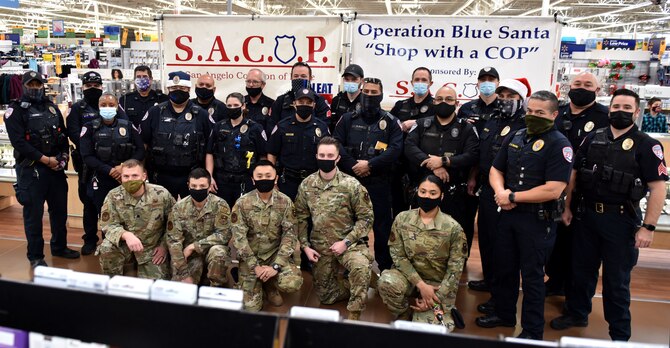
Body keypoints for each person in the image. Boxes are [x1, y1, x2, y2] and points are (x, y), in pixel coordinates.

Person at [550, 89, 668, 342]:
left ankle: (619, 334)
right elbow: (574, 174)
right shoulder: (594, 138)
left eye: (627, 108)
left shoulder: (648, 145)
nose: (620, 111)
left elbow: (658, 187)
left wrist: (648, 227)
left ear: (637, 112)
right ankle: (577, 313)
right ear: (610, 109)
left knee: (616, 282)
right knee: (580, 272)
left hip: (622, 222)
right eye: (616, 106)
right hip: (586, 217)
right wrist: (568, 206)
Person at [475, 91, 573, 340]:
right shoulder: (517, 135)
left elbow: (554, 189)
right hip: (508, 215)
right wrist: (500, 192)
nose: (533, 116)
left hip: (537, 220)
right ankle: (504, 313)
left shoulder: (560, 144)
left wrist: (513, 197)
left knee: (532, 277)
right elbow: (496, 168)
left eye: (540, 113)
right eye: (530, 111)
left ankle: (531, 331)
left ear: (554, 114)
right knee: (504, 267)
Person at [294, 136, 375, 320]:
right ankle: (358, 282)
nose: (326, 159)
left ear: (338, 158)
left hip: (349, 243)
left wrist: (346, 242)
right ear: (316, 156)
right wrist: (305, 247)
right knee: (326, 296)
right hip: (321, 246)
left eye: (330, 155)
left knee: (360, 267)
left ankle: (354, 313)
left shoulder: (351, 185)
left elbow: (366, 218)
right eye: (322, 155)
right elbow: (300, 218)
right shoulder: (307, 185)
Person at [6, 71, 80, 267]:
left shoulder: (52, 108)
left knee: (59, 213)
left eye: (38, 84)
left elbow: (63, 137)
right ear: (23, 85)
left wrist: (63, 157)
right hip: (31, 171)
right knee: (34, 215)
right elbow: (19, 143)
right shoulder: (15, 112)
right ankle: (36, 256)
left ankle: (59, 247)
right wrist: (46, 160)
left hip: (56, 169)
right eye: (31, 84)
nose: (35, 88)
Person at [546, 71, 610, 297]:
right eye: (577, 84)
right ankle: (554, 282)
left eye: (588, 84)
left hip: (584, 192)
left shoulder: (605, 116)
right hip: (552, 187)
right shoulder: (558, 112)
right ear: (568, 87)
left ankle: (573, 295)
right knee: (555, 242)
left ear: (597, 90)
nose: (581, 88)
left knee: (580, 249)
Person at [468, 78, 529, 314]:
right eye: (502, 96)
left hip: (508, 193)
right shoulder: (490, 120)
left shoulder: (524, 124)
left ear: (521, 100)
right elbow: (480, 153)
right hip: (486, 188)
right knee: (486, 238)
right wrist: (473, 176)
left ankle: (500, 296)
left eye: (511, 97)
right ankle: (489, 279)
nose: (505, 101)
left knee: (504, 247)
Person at [378, 175, 468, 331]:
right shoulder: (402, 219)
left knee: (431, 332)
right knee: (386, 282)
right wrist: (420, 285)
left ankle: (433, 310)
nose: (427, 196)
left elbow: (455, 270)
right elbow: (398, 256)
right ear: (416, 192)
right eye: (423, 191)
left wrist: (434, 298)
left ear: (441, 196)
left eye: (433, 193)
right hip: (410, 279)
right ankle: (405, 311)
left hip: (438, 287)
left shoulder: (453, 228)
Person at [334, 77, 403, 272]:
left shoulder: (391, 122)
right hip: (350, 181)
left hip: (379, 183)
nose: (369, 96)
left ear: (381, 95)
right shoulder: (347, 119)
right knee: (348, 224)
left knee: (381, 227)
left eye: (374, 93)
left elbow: (396, 149)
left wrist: (370, 165)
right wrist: (355, 165)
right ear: (361, 93)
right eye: (366, 92)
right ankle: (348, 264)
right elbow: (336, 143)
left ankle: (384, 266)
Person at [404, 86, 479, 252]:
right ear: (434, 101)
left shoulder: (466, 128)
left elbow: (473, 155)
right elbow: (409, 147)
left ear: (457, 103)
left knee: (456, 234)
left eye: (449, 99)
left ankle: (455, 266)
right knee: (421, 232)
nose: (443, 102)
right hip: (424, 190)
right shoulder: (422, 124)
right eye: (439, 99)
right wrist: (432, 163)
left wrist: (445, 161)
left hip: (455, 193)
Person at [231, 160, 303, 311]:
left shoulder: (285, 202)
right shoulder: (242, 203)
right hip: (251, 257)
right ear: (253, 180)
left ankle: (271, 285)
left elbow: (290, 236)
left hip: (275, 255)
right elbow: (239, 239)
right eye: (259, 176)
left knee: (292, 282)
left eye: (268, 175)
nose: (264, 179)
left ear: (276, 178)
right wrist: (254, 266)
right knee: (251, 308)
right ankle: (249, 281)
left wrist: (276, 266)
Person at [97, 159, 174, 279]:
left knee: (154, 288)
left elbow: (173, 224)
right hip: (125, 244)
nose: (130, 180)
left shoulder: (161, 194)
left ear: (144, 176)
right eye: (126, 176)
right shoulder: (113, 196)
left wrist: (164, 246)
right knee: (107, 248)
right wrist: (126, 235)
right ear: (121, 177)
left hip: (151, 247)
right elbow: (108, 225)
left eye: (135, 175)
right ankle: (111, 282)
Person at [140, 71, 212, 199]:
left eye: (182, 88)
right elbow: (144, 143)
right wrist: (141, 169)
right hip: (160, 176)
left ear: (189, 89)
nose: (177, 90)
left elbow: (210, 148)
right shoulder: (155, 112)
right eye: (174, 88)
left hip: (192, 177)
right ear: (168, 88)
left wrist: (209, 176)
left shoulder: (201, 114)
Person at [79, 93, 144, 233]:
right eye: (103, 105)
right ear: (98, 107)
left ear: (116, 107)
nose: (107, 108)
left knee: (126, 213)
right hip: (101, 177)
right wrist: (109, 170)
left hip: (124, 178)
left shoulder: (127, 126)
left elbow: (140, 151)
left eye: (111, 105)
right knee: (102, 213)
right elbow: (87, 156)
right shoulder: (90, 127)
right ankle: (102, 244)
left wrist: (123, 167)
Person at [166, 168, 231, 287]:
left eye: (202, 186)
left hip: (211, 251)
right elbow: (173, 241)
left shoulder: (220, 205)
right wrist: (184, 273)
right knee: (182, 292)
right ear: (188, 185)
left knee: (219, 252)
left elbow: (224, 234)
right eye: (194, 186)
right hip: (189, 256)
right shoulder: (178, 208)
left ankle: (215, 287)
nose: (198, 189)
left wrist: (194, 246)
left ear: (209, 186)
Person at [66, 71, 106, 253]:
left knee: (109, 204)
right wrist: (90, 147)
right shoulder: (77, 109)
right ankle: (89, 239)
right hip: (86, 165)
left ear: (102, 87)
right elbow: (74, 132)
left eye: (96, 86)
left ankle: (108, 239)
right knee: (88, 204)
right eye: (89, 86)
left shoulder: (108, 104)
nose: (92, 89)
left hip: (107, 164)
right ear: (83, 87)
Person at [206, 92, 267, 207]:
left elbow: (263, 155)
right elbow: (209, 153)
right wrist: (209, 177)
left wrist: (259, 176)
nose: (232, 108)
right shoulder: (218, 127)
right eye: (229, 106)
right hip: (222, 181)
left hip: (246, 180)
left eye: (235, 105)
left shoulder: (255, 128)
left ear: (243, 106)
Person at [267, 88, 330, 200]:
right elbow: (272, 153)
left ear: (314, 105)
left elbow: (329, 154)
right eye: (301, 102)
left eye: (308, 103)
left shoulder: (322, 127)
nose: (304, 105)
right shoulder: (282, 126)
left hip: (314, 182)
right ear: (294, 104)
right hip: (288, 182)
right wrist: (272, 180)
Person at [390, 67, 435, 217]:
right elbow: (389, 127)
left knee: (423, 211)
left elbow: (441, 124)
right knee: (398, 210)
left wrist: (415, 122)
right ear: (411, 82)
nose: (420, 83)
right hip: (400, 165)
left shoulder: (436, 106)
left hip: (423, 165)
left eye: (424, 80)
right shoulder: (400, 105)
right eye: (417, 80)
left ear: (430, 83)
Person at [269, 62, 330, 129]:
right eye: (296, 76)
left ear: (310, 78)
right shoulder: (281, 101)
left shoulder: (319, 101)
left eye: (303, 76)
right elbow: (272, 127)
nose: (299, 79)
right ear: (291, 77)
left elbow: (324, 128)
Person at [457, 67, 500, 134]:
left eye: (491, 80)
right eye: (483, 80)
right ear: (477, 84)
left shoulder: (504, 109)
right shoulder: (466, 108)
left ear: (498, 84)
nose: (486, 82)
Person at [329, 64, 364, 133]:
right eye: (347, 79)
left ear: (362, 81)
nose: (350, 82)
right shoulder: (337, 100)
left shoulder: (366, 101)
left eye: (354, 79)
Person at [243, 68, 275, 133]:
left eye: (255, 82)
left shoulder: (272, 104)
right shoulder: (240, 103)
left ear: (263, 84)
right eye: (248, 81)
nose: (251, 85)